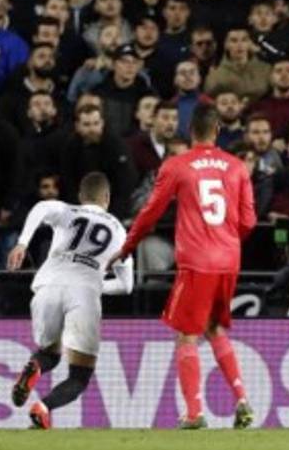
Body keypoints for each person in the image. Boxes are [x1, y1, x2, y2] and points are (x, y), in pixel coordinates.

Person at [109, 104, 257, 429]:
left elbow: (150, 212)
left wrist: (127, 247)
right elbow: (249, 221)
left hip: (196, 262)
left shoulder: (177, 165)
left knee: (186, 337)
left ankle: (194, 413)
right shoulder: (237, 167)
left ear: (191, 132)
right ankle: (243, 401)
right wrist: (227, 240)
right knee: (215, 329)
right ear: (217, 130)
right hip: (229, 259)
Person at [7, 172, 134, 429]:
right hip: (84, 294)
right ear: (106, 198)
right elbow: (126, 285)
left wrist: (22, 243)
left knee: (48, 355)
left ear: (80, 195)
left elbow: (42, 207)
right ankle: (43, 408)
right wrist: (97, 284)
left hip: (47, 287)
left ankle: (33, 368)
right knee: (79, 376)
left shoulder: (67, 211)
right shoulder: (120, 230)